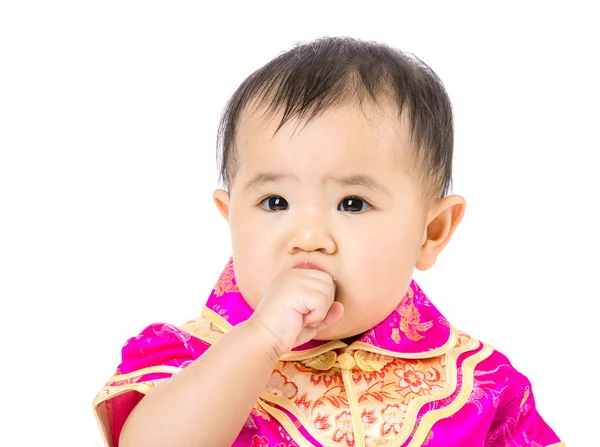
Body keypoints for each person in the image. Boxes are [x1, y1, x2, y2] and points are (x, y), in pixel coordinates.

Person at [92, 36, 564, 447]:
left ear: (432, 232)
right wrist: (260, 339)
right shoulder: (190, 357)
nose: (310, 238)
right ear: (229, 217)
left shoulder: (480, 384)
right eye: (275, 203)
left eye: (353, 204)